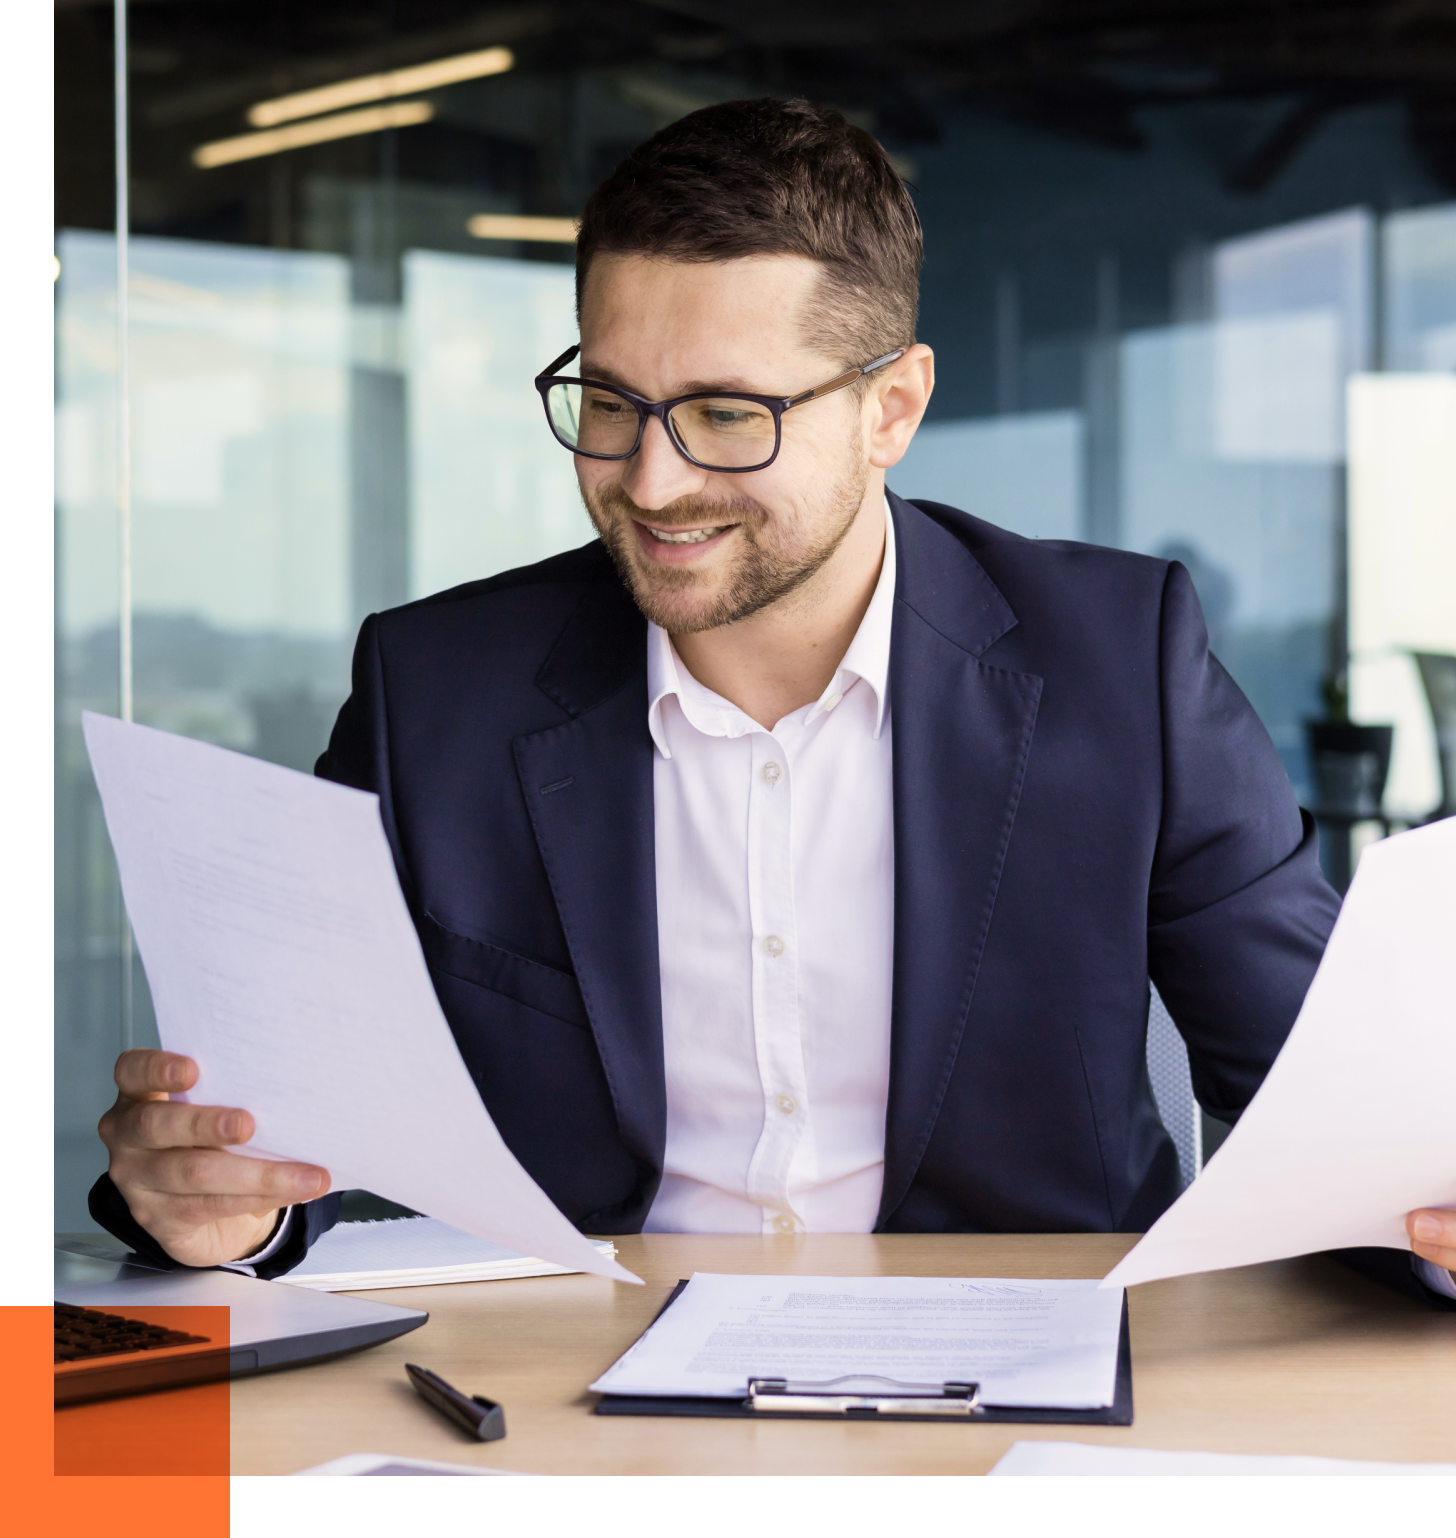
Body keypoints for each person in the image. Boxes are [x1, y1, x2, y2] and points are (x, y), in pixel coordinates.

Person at [89, 99, 1455, 1305]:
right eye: (612, 400)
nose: (651, 478)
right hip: (573, 1398)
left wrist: (1428, 1213)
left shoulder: (1121, 664)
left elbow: (1315, 1111)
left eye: (729, 414)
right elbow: (307, 1124)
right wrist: (230, 1202)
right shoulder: (438, 691)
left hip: (1033, 1381)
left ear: (891, 408)